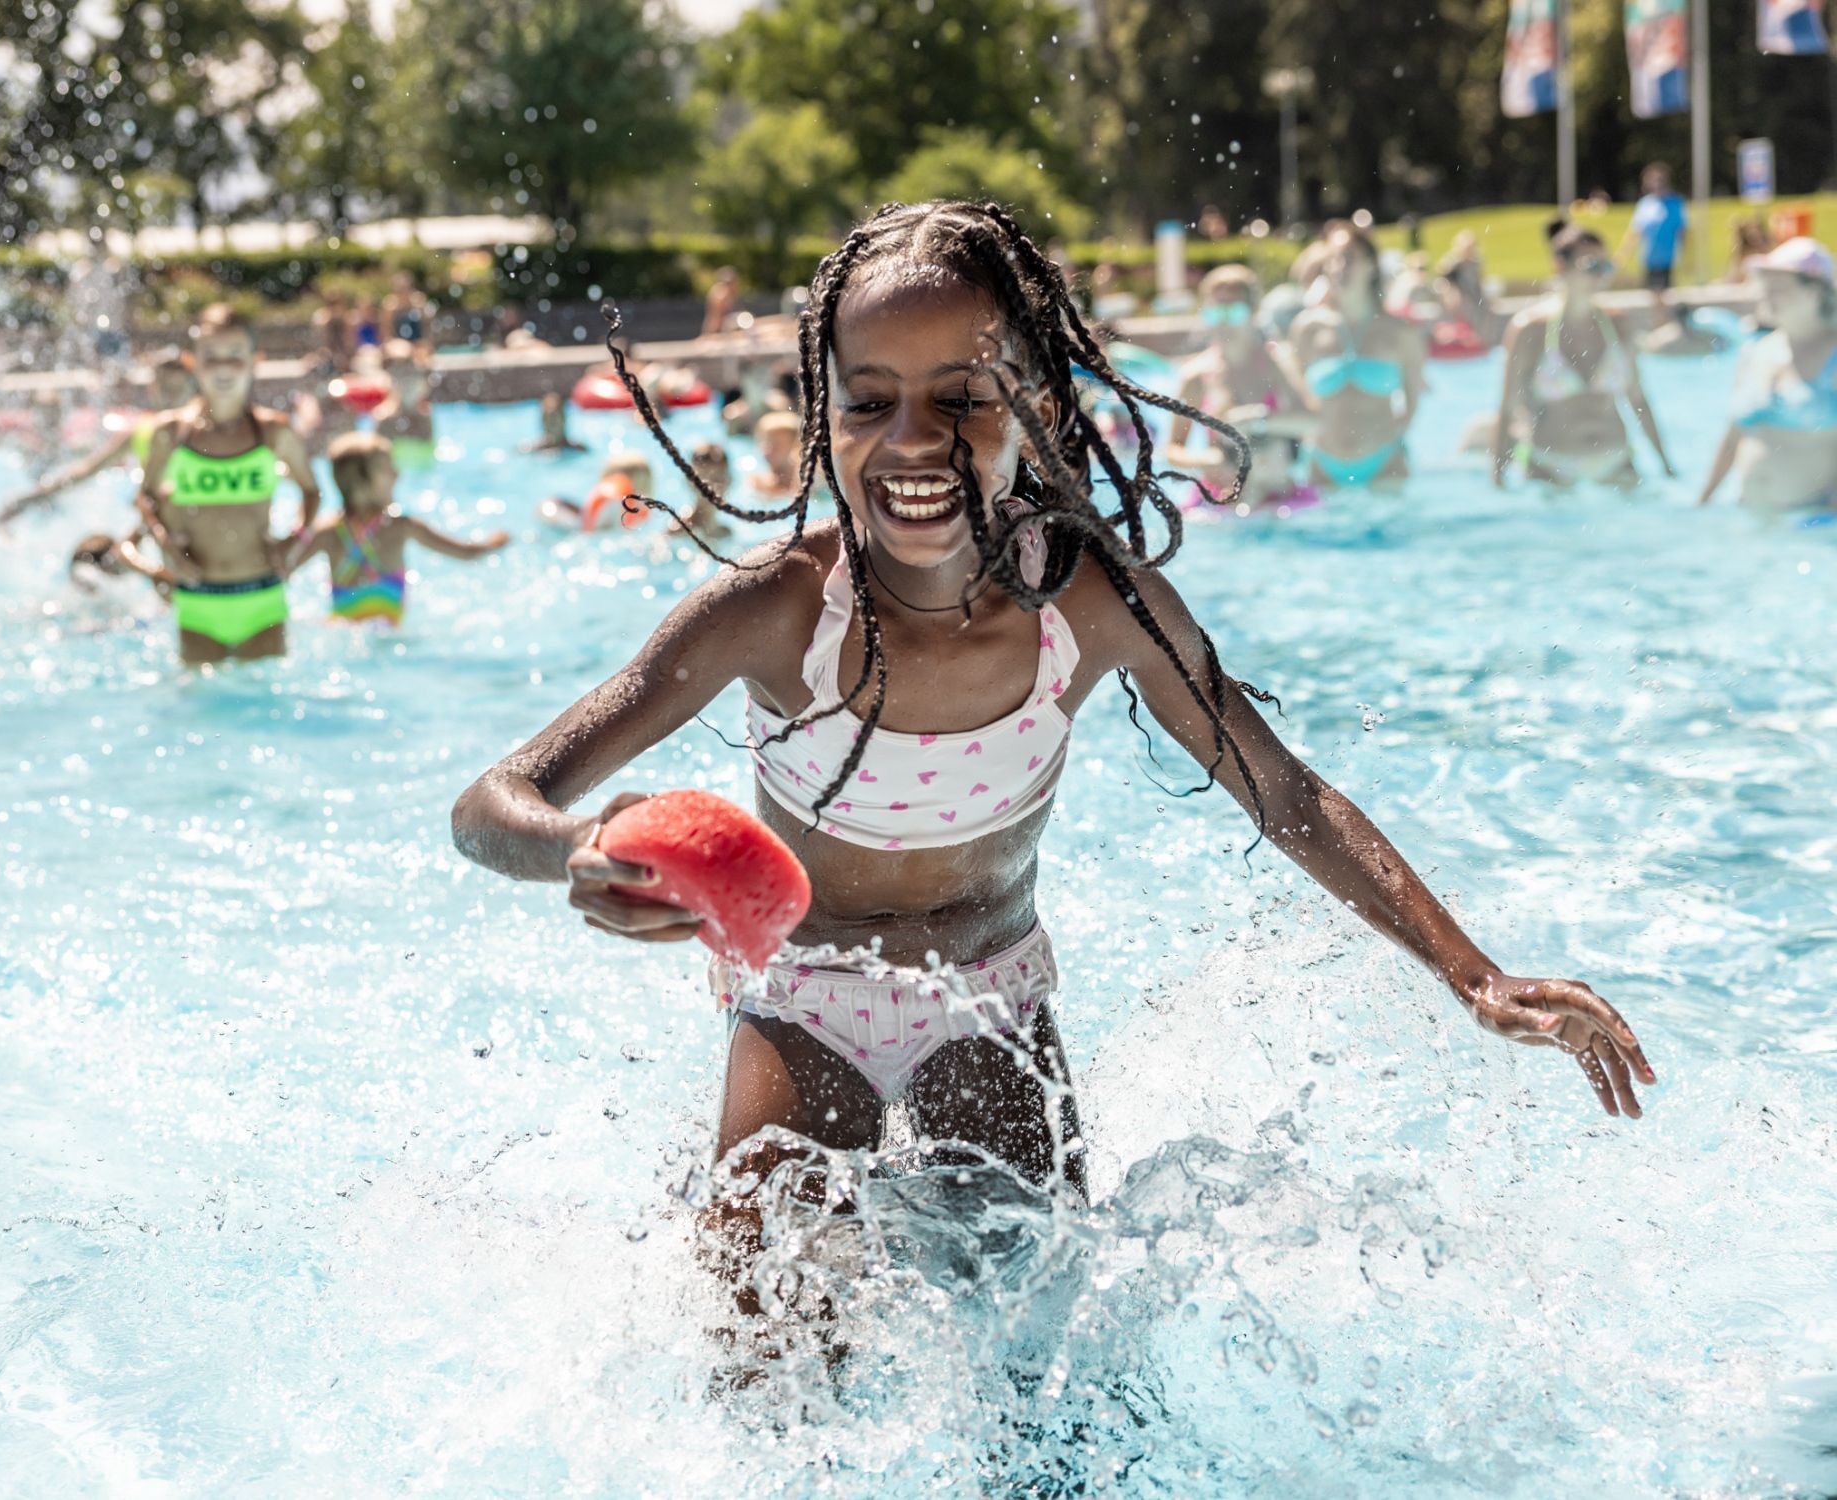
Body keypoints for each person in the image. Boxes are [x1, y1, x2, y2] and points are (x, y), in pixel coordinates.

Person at [449, 200, 1653, 1325]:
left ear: (1034, 401)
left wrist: (1471, 975)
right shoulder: (774, 612)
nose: (909, 441)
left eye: (961, 396)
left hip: (992, 1001)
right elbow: (489, 803)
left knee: (1041, 1351)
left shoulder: (1091, 604)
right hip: (800, 1003)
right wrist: (575, 850)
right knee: (757, 1328)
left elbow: (1281, 791)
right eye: (868, 403)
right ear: (825, 418)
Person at [134, 304, 322, 666]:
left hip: (262, 598)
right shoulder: (170, 434)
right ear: (193, 363)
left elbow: (311, 491)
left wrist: (295, 541)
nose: (222, 367)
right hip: (196, 601)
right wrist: (168, 550)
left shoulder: (274, 432)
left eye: (235, 356)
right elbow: (146, 498)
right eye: (211, 357)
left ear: (256, 361)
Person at [1491, 219, 1674, 489]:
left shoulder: (1619, 326)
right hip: (1550, 465)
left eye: (1606, 266)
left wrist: (1667, 466)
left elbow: (1638, 400)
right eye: (1591, 266)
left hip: (1616, 461)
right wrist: (1497, 477)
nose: (1600, 275)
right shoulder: (1530, 330)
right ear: (1560, 267)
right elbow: (1508, 407)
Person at [288, 432, 508, 627]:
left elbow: (282, 571)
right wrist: (494, 543)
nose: (397, 474)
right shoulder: (402, 527)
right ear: (360, 481)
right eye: (387, 468)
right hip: (389, 636)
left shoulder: (327, 532)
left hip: (342, 629)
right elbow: (464, 553)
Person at [1698, 237, 1837, 515]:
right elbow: (1733, 434)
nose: (1765, 295)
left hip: (1813, 524)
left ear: (1816, 292)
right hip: (1750, 516)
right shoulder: (1755, 352)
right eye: (1765, 286)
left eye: (1779, 287)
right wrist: (1703, 502)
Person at [1162, 265, 1317, 511]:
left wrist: (1257, 420)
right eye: (1215, 312)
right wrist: (1205, 460)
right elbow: (1172, 449)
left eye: (1234, 312)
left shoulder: (1278, 366)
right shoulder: (1196, 376)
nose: (1224, 322)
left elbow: (1314, 421)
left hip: (1278, 492)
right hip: (1223, 495)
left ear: (1254, 312)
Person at [1287, 222, 1425, 489]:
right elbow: (1298, 400)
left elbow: (1412, 407)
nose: (1339, 266)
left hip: (1385, 463)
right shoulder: (1307, 329)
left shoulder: (1400, 332)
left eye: (1348, 258)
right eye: (1333, 259)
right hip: (1323, 463)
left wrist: (1389, 440)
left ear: (1371, 265)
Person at [0, 350, 198, 527]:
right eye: (162, 388)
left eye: (175, 389)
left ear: (194, 388)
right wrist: (29, 499)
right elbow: (84, 472)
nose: (167, 397)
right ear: (151, 388)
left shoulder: (210, 427)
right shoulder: (142, 432)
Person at [1622, 162, 1687, 321]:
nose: (1657, 184)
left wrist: (1687, 257)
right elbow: (1635, 232)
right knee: (1654, 294)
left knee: (1662, 292)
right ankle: (1661, 323)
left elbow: (1682, 232)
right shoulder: (1645, 204)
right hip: (1649, 257)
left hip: (1667, 257)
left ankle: (1664, 323)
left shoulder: (1675, 203)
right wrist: (1623, 255)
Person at [373, 340, 434, 469]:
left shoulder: (425, 418)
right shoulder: (384, 420)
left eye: (412, 372)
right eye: (400, 373)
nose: (408, 382)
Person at [681, 442, 734, 544]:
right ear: (688, 482)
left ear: (730, 480)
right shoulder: (679, 530)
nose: (711, 489)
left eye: (718, 479)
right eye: (703, 483)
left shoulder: (726, 533)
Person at [749, 410, 802, 498]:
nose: (769, 450)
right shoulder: (757, 484)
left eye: (777, 445)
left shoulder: (811, 482)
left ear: (795, 447)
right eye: (766, 443)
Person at [381, 270, 431, 350]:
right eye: (400, 288)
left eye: (406, 288)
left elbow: (427, 322)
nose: (403, 291)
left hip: (417, 341)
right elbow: (386, 329)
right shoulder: (390, 304)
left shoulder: (418, 300)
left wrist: (419, 307)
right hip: (398, 342)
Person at [701, 268, 742, 338]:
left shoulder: (725, 293)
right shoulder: (720, 295)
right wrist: (710, 334)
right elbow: (715, 318)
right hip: (719, 329)